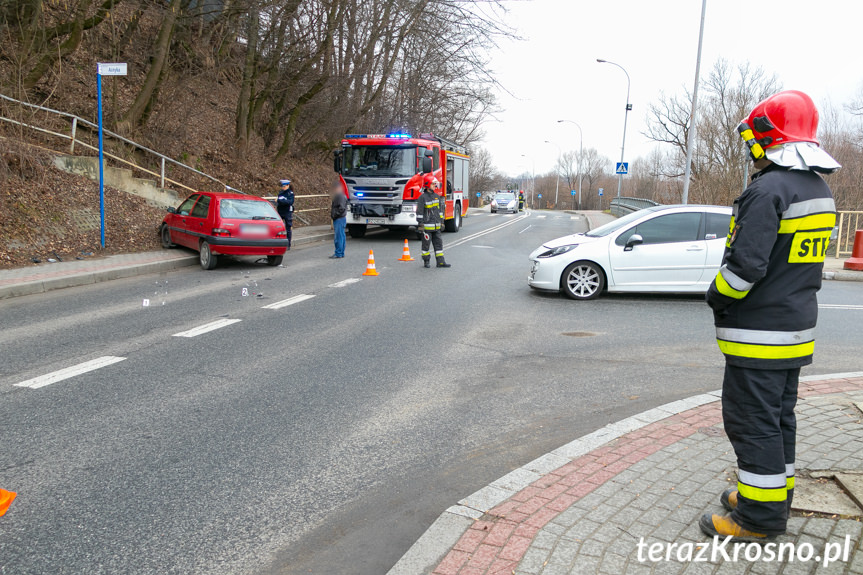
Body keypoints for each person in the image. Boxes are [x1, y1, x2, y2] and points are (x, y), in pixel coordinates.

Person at [700, 90, 840, 541]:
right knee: (779, 420)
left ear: (767, 139)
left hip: (757, 336)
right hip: (795, 331)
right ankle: (772, 495)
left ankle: (759, 518)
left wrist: (715, 297)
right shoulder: (818, 188)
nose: (748, 149)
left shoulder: (767, 190)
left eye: (751, 140)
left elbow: (745, 268)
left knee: (752, 422)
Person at [416, 175, 450, 268]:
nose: (435, 185)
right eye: (433, 184)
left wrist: (442, 222)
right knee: (426, 246)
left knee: (439, 245)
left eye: (435, 184)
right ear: (427, 185)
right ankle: (426, 261)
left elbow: (440, 211)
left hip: (437, 227)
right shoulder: (422, 197)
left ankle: (440, 262)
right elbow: (419, 212)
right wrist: (420, 224)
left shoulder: (437, 197)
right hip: (427, 227)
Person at [330, 182, 347, 259]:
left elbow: (341, 208)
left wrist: (335, 215)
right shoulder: (342, 196)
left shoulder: (340, 196)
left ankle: (338, 253)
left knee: (338, 237)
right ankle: (341, 252)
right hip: (341, 218)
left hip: (339, 218)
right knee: (341, 236)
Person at [276, 179, 295, 249]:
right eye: (282, 186)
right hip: (280, 211)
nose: (283, 188)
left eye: (284, 186)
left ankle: (288, 244)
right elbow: (280, 201)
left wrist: (280, 200)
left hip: (287, 212)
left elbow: (289, 202)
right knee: (279, 228)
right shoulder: (281, 193)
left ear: (288, 185)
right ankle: (279, 243)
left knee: (288, 228)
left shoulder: (290, 193)